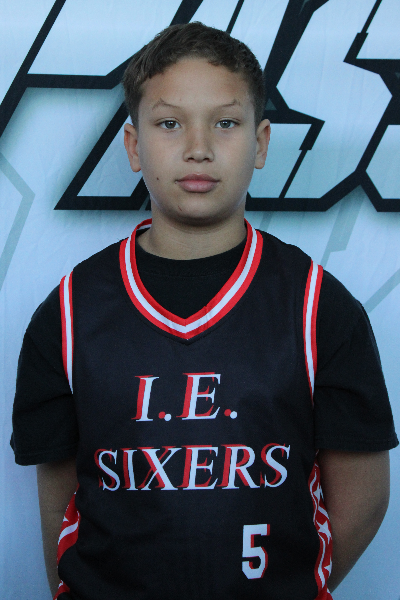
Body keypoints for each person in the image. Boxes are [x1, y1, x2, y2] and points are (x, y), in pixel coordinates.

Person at [11, 22, 398, 600]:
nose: (198, 147)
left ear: (261, 143)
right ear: (134, 146)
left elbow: (363, 499)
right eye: (170, 123)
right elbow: (60, 499)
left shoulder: (319, 306)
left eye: (225, 123)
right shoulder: (69, 313)